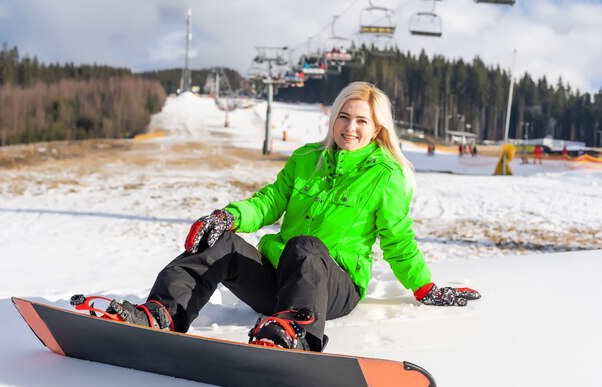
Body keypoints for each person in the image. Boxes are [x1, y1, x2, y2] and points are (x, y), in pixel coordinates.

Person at [108, 82, 481, 352]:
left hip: (333, 288)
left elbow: (398, 240)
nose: (350, 128)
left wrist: (424, 287)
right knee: (221, 242)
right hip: (279, 280)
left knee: (306, 246)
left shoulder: (387, 176)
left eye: (361, 122)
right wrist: (229, 216)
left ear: (377, 128)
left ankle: (297, 332)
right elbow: (270, 201)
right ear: (334, 119)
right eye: (344, 117)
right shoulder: (307, 158)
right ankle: (162, 313)